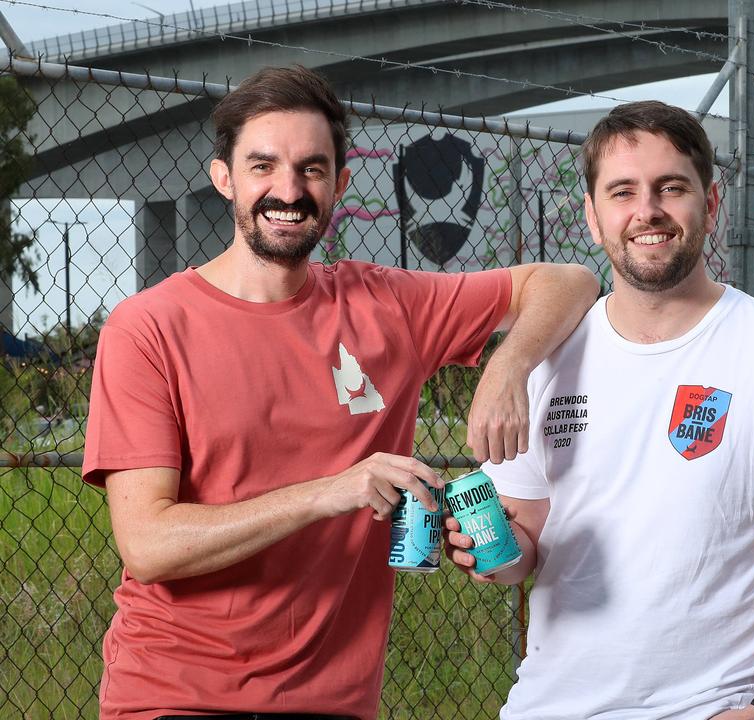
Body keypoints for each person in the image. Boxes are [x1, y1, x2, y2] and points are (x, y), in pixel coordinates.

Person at [82, 65, 598, 720]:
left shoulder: (385, 305)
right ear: (223, 178)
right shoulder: (149, 328)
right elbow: (149, 545)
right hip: (178, 697)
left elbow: (570, 281)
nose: (289, 190)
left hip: (337, 700)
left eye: (312, 169)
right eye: (263, 166)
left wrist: (507, 365)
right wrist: (335, 490)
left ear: (340, 185)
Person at [445, 100, 754, 720]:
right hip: (550, 702)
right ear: (593, 218)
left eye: (670, 188)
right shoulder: (550, 357)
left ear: (711, 203)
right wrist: (490, 552)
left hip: (712, 707)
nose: (646, 211)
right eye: (622, 192)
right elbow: (528, 546)